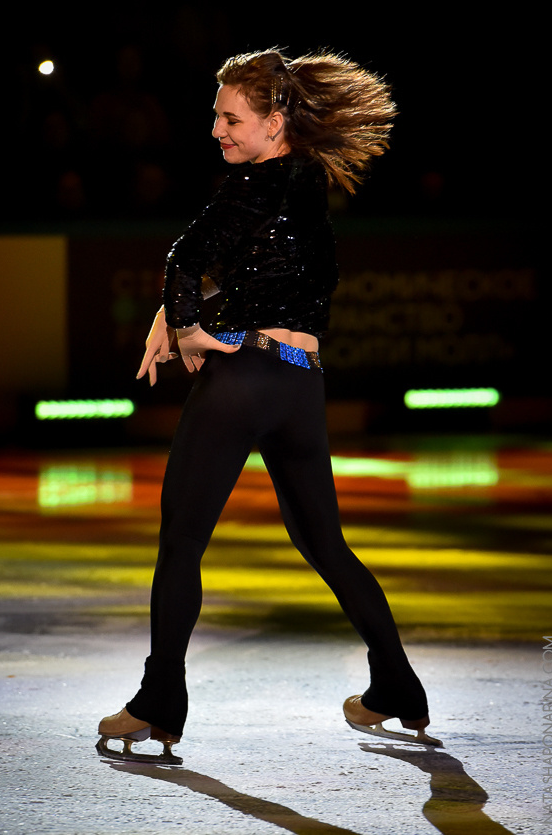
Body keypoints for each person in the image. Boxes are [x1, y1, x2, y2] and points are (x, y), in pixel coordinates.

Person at [96, 48, 441, 764]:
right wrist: (184, 314)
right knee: (325, 545)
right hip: (299, 384)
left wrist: (186, 324)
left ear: (273, 121)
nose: (216, 131)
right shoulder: (306, 187)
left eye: (230, 118)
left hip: (242, 382)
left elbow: (183, 258)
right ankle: (396, 684)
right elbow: (268, 288)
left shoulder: (247, 187)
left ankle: (160, 699)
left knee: (181, 545)